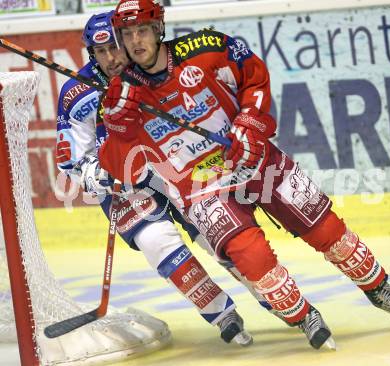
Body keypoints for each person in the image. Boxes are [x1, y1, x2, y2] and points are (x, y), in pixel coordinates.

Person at [99, 0, 390, 350]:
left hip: (253, 157)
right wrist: (118, 127)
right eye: (128, 34)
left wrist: (248, 125)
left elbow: (253, 77)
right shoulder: (120, 96)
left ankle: (379, 289)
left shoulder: (205, 48)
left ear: (158, 29)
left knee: (325, 226)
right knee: (251, 257)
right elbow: (125, 170)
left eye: (143, 31)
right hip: (201, 187)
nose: (136, 40)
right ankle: (304, 315)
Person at [55, 10, 268, 347]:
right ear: (90, 54)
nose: (111, 58)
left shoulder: (155, 70)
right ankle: (220, 313)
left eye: (114, 47)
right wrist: (101, 176)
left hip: (175, 166)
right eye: (100, 52)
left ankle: (270, 293)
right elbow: (70, 161)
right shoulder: (75, 93)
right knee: (156, 241)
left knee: (217, 234)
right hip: (122, 181)